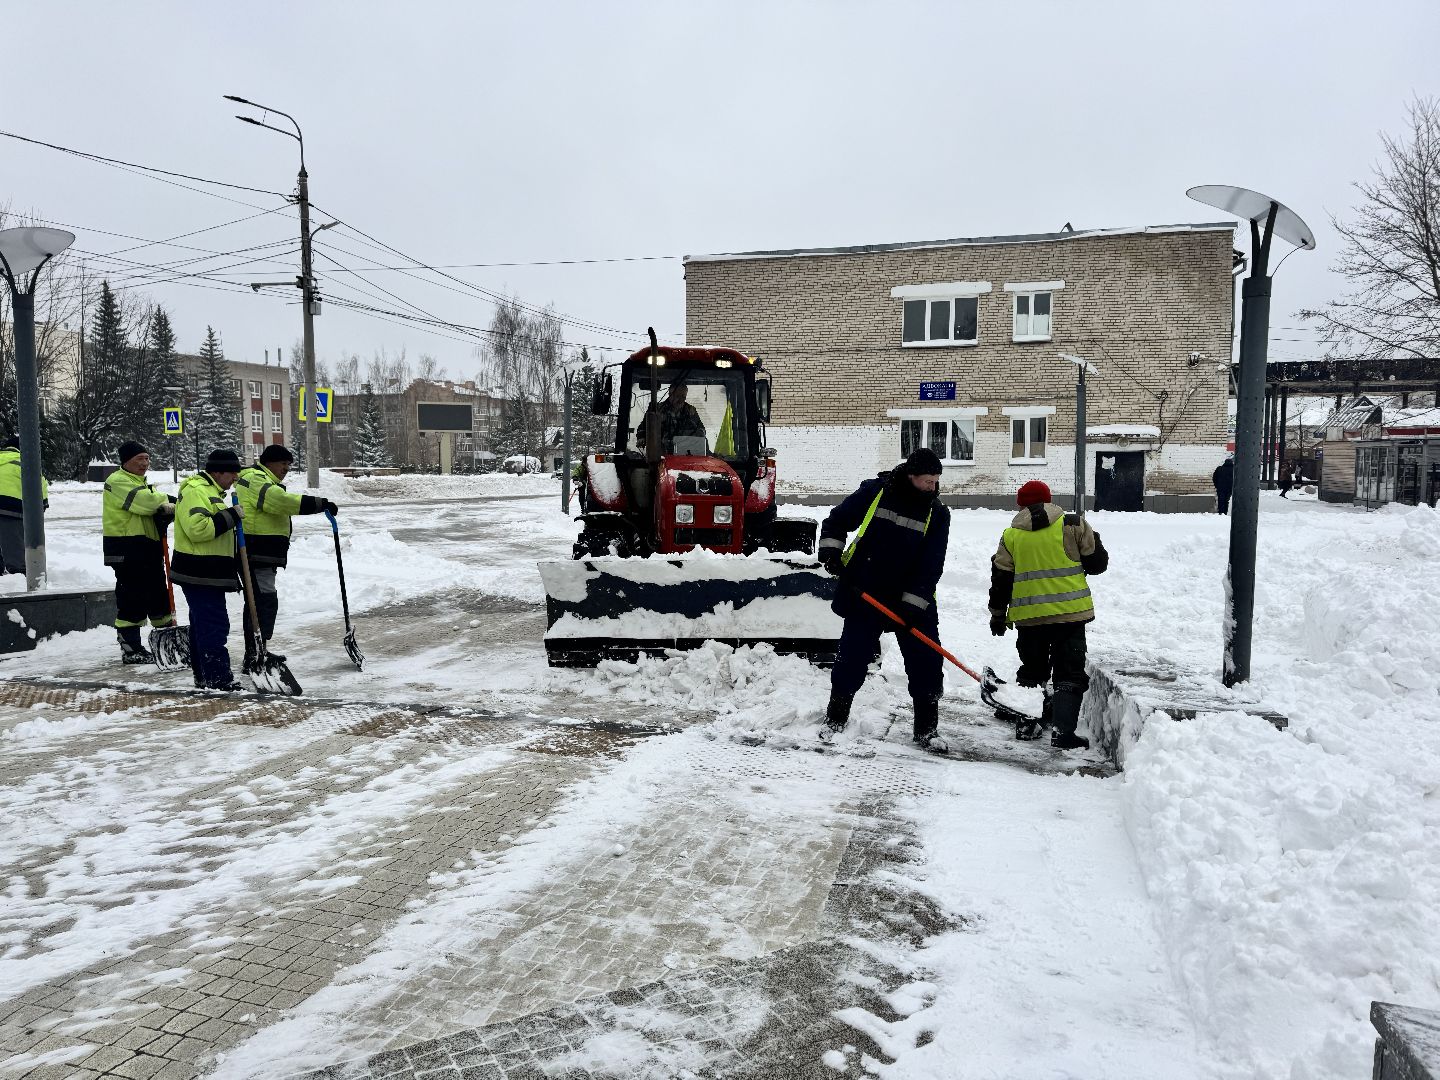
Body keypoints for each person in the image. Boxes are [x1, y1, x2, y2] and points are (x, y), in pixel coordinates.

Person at [817, 447, 951, 753]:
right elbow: (837, 520)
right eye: (927, 481)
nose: (933, 487)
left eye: (936, 481)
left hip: (912, 598)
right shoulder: (876, 492)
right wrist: (831, 552)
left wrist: (910, 607)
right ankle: (835, 719)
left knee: (926, 661)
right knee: (851, 658)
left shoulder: (937, 513)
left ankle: (927, 730)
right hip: (866, 590)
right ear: (911, 476)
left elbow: (932, 565)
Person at [988, 480, 1109, 750]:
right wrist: (1095, 540)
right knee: (1069, 673)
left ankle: (1027, 723)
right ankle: (1063, 733)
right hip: (1070, 615)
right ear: (1049, 500)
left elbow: (1001, 580)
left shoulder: (1010, 536)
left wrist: (998, 615)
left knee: (1032, 672)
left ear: (1021, 505)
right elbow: (1097, 565)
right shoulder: (1072, 524)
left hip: (1030, 620)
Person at [234, 445, 336, 672]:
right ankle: (254, 655)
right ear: (269, 462)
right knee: (262, 602)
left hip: (262, 552)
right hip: (255, 551)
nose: (286, 468)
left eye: (289, 464)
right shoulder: (255, 479)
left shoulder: (260, 479)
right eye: (283, 463)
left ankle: (258, 650)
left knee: (260, 601)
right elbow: (279, 502)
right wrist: (319, 504)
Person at [170, 449, 246, 690]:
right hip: (199, 571)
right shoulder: (196, 491)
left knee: (202, 625)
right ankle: (219, 679)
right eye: (232, 472)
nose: (235, 477)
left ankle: (205, 677)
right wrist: (232, 515)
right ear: (217, 471)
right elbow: (199, 529)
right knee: (213, 625)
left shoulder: (210, 491)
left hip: (206, 571)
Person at [102, 441, 178, 663]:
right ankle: (131, 648)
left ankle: (167, 645)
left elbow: (153, 503)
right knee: (132, 597)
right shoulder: (117, 481)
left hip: (146, 547)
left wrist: (167, 507)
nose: (145, 463)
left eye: (146, 458)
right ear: (126, 461)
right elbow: (145, 503)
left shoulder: (142, 483)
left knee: (158, 595)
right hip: (127, 549)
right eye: (139, 459)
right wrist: (170, 502)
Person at [0, 431, 48, 575]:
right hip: (10, 508)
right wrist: (42, 505)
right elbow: (40, 487)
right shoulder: (25, 462)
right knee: (13, 544)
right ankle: (18, 575)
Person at [636, 381, 706, 454]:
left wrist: (689, 437)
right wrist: (642, 437)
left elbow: (701, 431)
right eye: (678, 396)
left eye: (683, 397)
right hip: (659, 455)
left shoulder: (691, 411)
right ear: (670, 395)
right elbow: (643, 427)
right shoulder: (657, 409)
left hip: (683, 454)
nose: (681, 400)